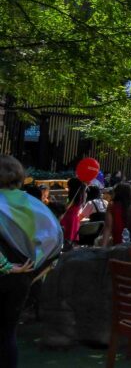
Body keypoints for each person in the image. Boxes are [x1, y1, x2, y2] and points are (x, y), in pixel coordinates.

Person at [0, 155, 62, 367]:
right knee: (8, 333)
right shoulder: (34, 204)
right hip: (22, 278)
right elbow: (55, 238)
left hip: (9, 272)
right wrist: (35, 270)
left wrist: (6, 266)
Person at [101, 182, 131, 246]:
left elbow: (108, 227)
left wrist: (103, 247)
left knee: (98, 241)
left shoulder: (112, 206)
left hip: (118, 245)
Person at [60, 178, 85, 246]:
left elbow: (67, 207)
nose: (68, 187)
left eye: (68, 185)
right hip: (75, 218)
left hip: (69, 219)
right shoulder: (80, 194)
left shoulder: (73, 195)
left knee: (67, 239)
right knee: (71, 239)